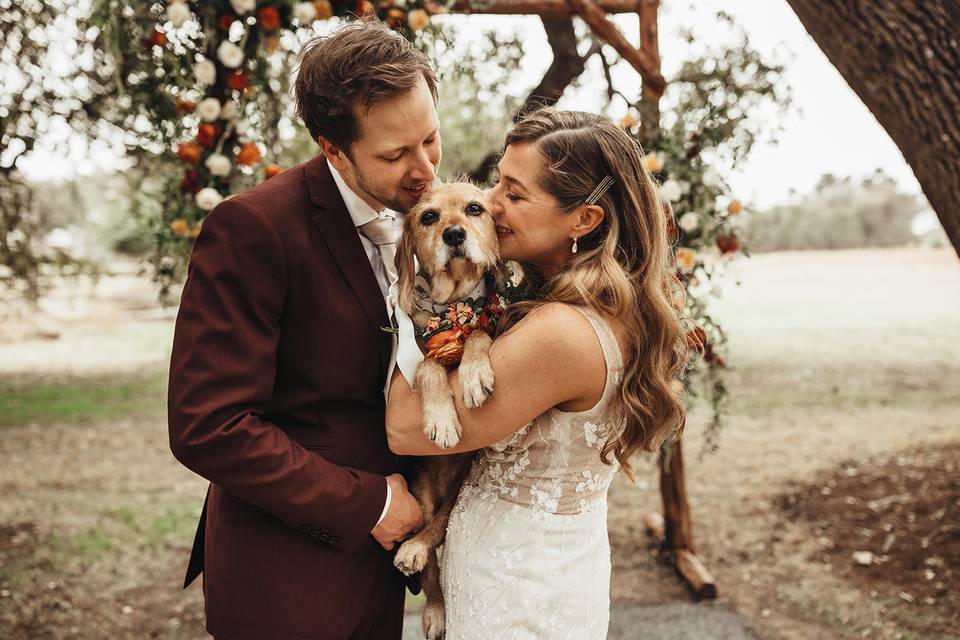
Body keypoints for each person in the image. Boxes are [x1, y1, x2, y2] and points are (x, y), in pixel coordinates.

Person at [167, 20, 440, 640]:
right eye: (396, 154)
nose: (424, 169)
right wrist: (368, 503)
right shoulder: (254, 230)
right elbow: (208, 426)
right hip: (286, 584)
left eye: (431, 139)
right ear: (332, 148)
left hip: (381, 576)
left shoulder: (421, 217)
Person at [386, 108, 689, 639]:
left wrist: (400, 325)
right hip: (540, 570)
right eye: (499, 181)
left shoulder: (559, 332)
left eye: (516, 193)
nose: (495, 204)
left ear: (583, 220)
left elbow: (406, 428)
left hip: (517, 593)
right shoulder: (572, 304)